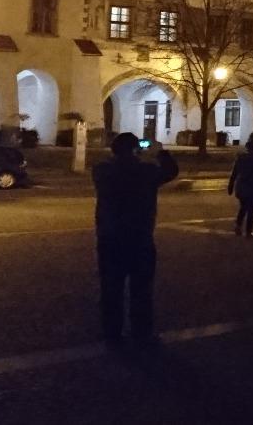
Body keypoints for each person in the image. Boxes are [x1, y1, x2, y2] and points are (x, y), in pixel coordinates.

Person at [92, 133, 178, 346]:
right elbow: (171, 171)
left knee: (111, 289)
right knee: (141, 289)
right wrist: (159, 153)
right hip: (139, 238)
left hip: (110, 238)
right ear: (135, 150)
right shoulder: (146, 171)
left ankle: (112, 332)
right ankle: (141, 331)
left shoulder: (102, 171)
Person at [227, 137, 253, 238]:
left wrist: (230, 187)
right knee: (251, 210)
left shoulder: (240, 159)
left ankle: (238, 225)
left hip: (241, 187)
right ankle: (248, 231)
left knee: (243, 207)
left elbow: (234, 174)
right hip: (252, 187)